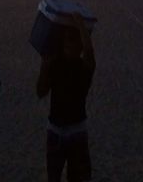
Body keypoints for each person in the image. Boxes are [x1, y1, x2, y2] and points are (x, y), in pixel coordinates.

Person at [36, 16, 95, 182]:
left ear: (79, 45)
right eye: (66, 39)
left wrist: (80, 26)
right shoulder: (55, 64)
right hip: (55, 130)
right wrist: (44, 66)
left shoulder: (84, 67)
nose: (69, 44)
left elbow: (89, 52)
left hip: (77, 131)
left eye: (73, 40)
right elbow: (40, 92)